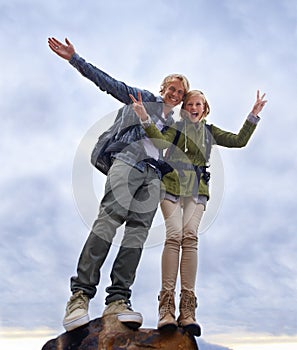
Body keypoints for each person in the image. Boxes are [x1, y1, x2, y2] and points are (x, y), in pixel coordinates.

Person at [48, 37, 190, 332]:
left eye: (181, 92)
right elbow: (109, 83)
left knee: (136, 235)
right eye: (172, 88)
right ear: (163, 88)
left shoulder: (174, 127)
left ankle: (118, 300)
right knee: (107, 222)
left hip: (153, 177)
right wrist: (76, 59)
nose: (175, 94)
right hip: (128, 163)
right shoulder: (141, 98)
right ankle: (80, 295)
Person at [130, 89, 267, 336]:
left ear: (205, 108)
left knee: (190, 237)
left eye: (198, 104)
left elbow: (239, 140)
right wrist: (143, 116)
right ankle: (166, 308)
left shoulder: (209, 132)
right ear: (184, 108)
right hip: (170, 186)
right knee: (174, 236)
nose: (194, 107)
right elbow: (156, 138)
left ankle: (188, 310)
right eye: (190, 104)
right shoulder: (175, 129)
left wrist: (253, 115)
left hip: (197, 189)